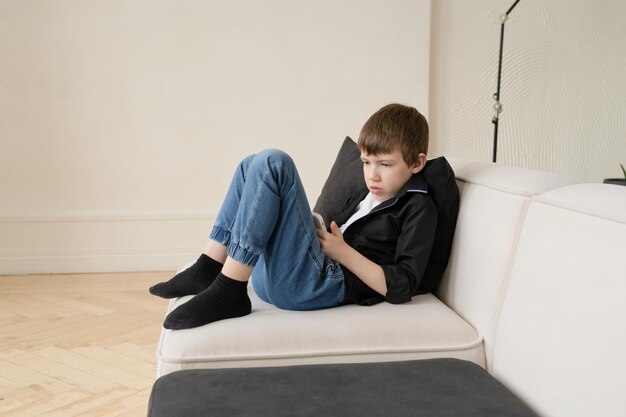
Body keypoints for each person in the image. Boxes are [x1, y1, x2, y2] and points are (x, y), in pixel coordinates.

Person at [149, 103, 437, 330]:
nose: (372, 174)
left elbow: (402, 285)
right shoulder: (367, 194)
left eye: (385, 164)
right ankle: (210, 265)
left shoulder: (418, 208)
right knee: (251, 165)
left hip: (317, 284)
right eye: (366, 162)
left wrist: (343, 253)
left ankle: (229, 290)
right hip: (279, 281)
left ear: (417, 163)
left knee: (275, 163)